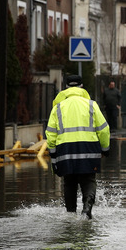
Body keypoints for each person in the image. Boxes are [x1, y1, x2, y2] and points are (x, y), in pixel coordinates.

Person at [46, 74, 111, 219]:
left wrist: (53, 156)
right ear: (82, 87)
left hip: (65, 151)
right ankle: (87, 208)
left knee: (69, 182)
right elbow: (104, 129)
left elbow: (50, 134)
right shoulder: (91, 104)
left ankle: (70, 214)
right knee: (88, 180)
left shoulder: (57, 108)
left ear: (66, 88)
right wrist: (105, 148)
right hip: (89, 149)